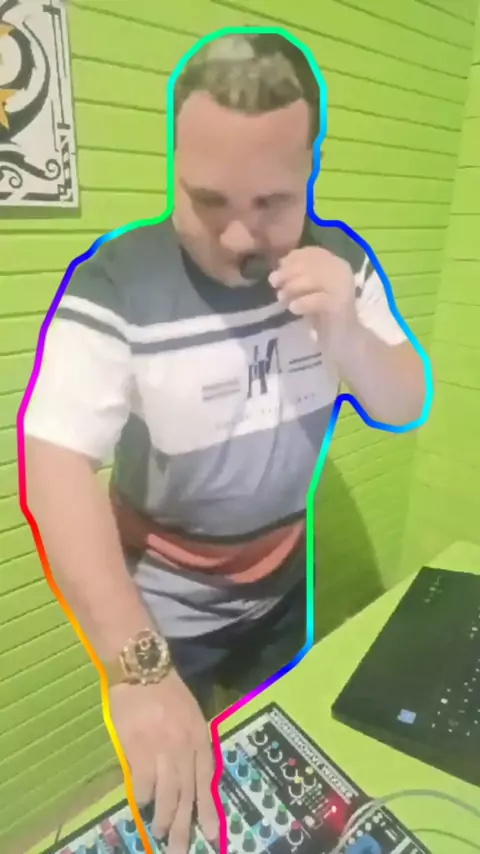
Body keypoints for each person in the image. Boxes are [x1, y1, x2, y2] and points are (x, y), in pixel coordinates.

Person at [23, 32, 426, 854]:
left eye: (272, 203)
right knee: (180, 802)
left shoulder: (340, 263)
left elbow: (406, 399)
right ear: (174, 165)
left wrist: (348, 336)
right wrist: (138, 668)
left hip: (280, 589)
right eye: (208, 201)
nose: (240, 237)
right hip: (162, 613)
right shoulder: (116, 286)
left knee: (274, 766)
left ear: (311, 171)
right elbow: (53, 462)